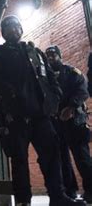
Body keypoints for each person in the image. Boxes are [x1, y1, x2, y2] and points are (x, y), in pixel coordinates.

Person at [0, 15, 85, 206]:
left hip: (41, 116)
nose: (13, 29)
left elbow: (50, 81)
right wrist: (10, 98)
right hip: (16, 117)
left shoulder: (35, 52)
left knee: (52, 156)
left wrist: (54, 100)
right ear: (3, 33)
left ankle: (58, 197)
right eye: (8, 27)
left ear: (21, 29)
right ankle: (23, 201)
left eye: (16, 26)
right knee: (20, 160)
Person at [46, 45, 92, 202]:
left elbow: (83, 90)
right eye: (47, 55)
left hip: (74, 123)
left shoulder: (72, 73)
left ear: (60, 55)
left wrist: (71, 107)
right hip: (57, 125)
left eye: (53, 54)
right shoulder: (46, 77)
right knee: (63, 159)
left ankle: (91, 191)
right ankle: (70, 192)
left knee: (82, 158)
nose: (50, 57)